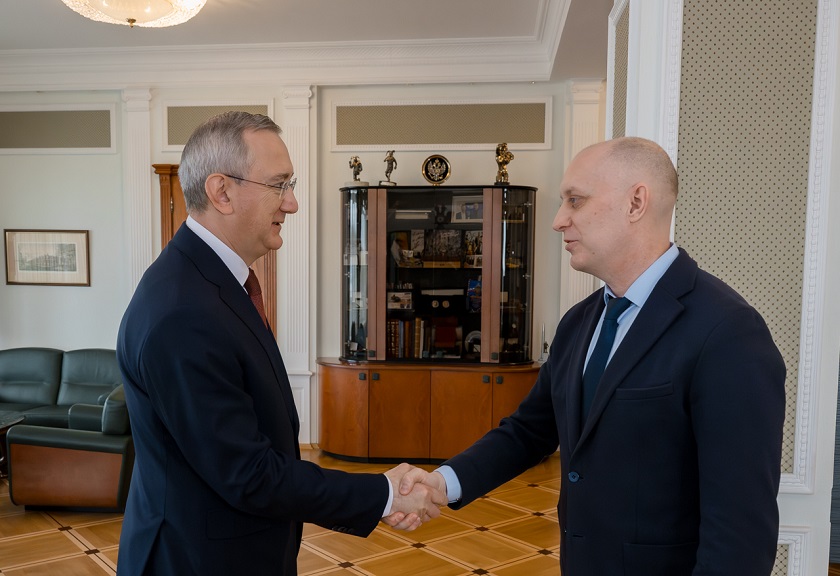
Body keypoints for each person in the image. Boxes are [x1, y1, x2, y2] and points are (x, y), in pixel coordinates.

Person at [395, 137, 787, 575]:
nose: (558, 220)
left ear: (636, 203)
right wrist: (442, 483)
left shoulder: (729, 332)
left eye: (575, 201)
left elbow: (739, 534)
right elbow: (528, 432)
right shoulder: (579, 322)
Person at [116, 111, 443, 576]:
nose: (292, 204)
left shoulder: (206, 283)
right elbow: (246, 474)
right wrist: (384, 494)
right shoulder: (183, 312)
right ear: (222, 192)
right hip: (198, 561)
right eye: (278, 185)